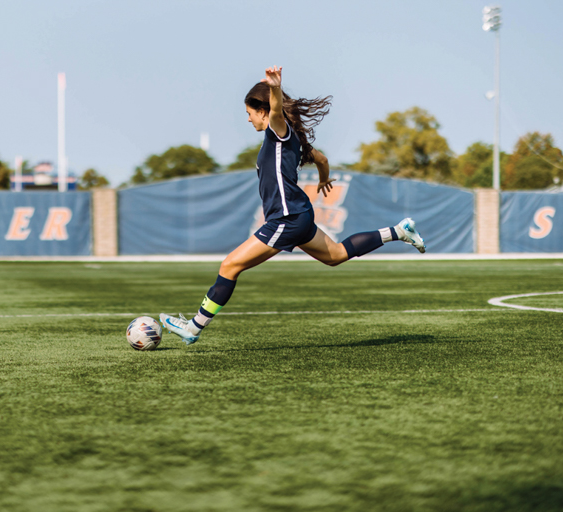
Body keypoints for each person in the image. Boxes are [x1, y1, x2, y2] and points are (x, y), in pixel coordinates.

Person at [160, 66, 425, 345]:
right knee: (335, 255)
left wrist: (275, 87)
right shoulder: (294, 139)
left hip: (286, 219)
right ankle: (399, 231)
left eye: (249, 113)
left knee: (229, 266)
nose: (248, 119)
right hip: (298, 215)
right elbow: (321, 160)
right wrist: (323, 181)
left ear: (262, 111)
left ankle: (193, 328)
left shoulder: (279, 131)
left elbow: (277, 112)